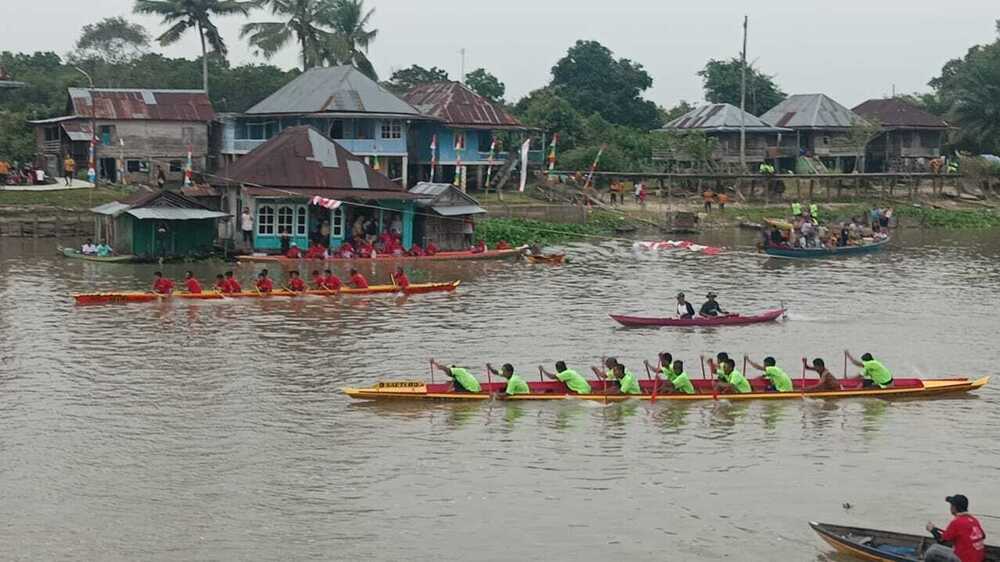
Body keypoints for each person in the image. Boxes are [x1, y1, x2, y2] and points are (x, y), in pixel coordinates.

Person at [924, 494, 987, 562]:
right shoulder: (974, 520)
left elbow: (941, 541)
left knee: (932, 550)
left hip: (965, 560)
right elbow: (983, 536)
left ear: (954, 507)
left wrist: (932, 530)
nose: (950, 507)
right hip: (978, 559)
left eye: (951, 505)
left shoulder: (956, 522)